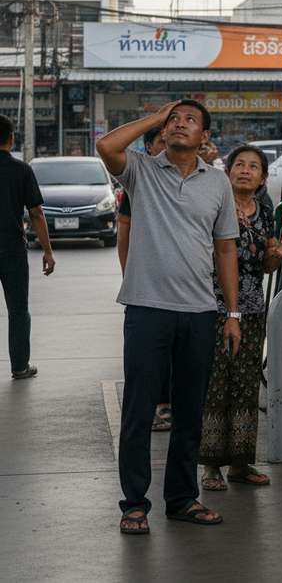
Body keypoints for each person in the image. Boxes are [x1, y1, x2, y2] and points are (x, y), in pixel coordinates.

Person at [96, 99, 241, 535]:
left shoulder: (217, 183)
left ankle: (181, 498)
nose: (180, 124)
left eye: (190, 120)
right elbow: (106, 146)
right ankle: (134, 504)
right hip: (147, 309)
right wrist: (156, 117)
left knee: (190, 413)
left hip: (199, 312)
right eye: (174, 119)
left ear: (205, 136)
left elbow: (225, 249)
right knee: (139, 412)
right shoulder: (141, 170)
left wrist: (232, 312)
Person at [200, 144, 282, 491]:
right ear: (227, 171)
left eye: (253, 166)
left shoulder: (263, 213)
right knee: (216, 385)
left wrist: (279, 252)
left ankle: (240, 464)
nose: (245, 170)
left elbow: (267, 264)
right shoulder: (213, 207)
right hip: (213, 308)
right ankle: (211, 466)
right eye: (239, 165)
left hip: (252, 310)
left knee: (246, 386)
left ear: (262, 178)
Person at [117, 125, 173, 431]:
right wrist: (130, 278)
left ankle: (170, 402)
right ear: (148, 148)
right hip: (147, 288)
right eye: (161, 141)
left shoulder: (204, 179)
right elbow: (123, 234)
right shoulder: (138, 180)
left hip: (188, 290)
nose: (168, 145)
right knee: (149, 356)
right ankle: (157, 404)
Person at [0, 114, 55, 380]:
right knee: (18, 310)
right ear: (12, 138)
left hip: (12, 250)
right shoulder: (21, 170)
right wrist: (48, 252)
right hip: (12, 251)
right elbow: (36, 213)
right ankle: (20, 366)